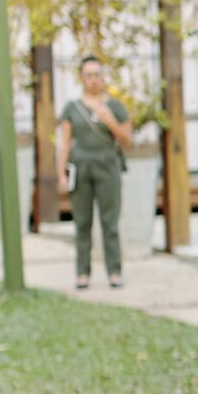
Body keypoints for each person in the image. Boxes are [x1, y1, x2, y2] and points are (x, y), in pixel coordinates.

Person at [56, 56, 133, 290]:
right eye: (88, 75)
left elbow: (127, 140)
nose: (93, 80)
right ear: (82, 78)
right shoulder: (72, 108)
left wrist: (108, 120)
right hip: (81, 168)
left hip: (107, 166)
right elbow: (65, 142)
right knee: (82, 222)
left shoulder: (116, 107)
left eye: (97, 75)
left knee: (110, 221)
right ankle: (82, 272)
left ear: (103, 77)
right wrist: (61, 173)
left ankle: (114, 271)